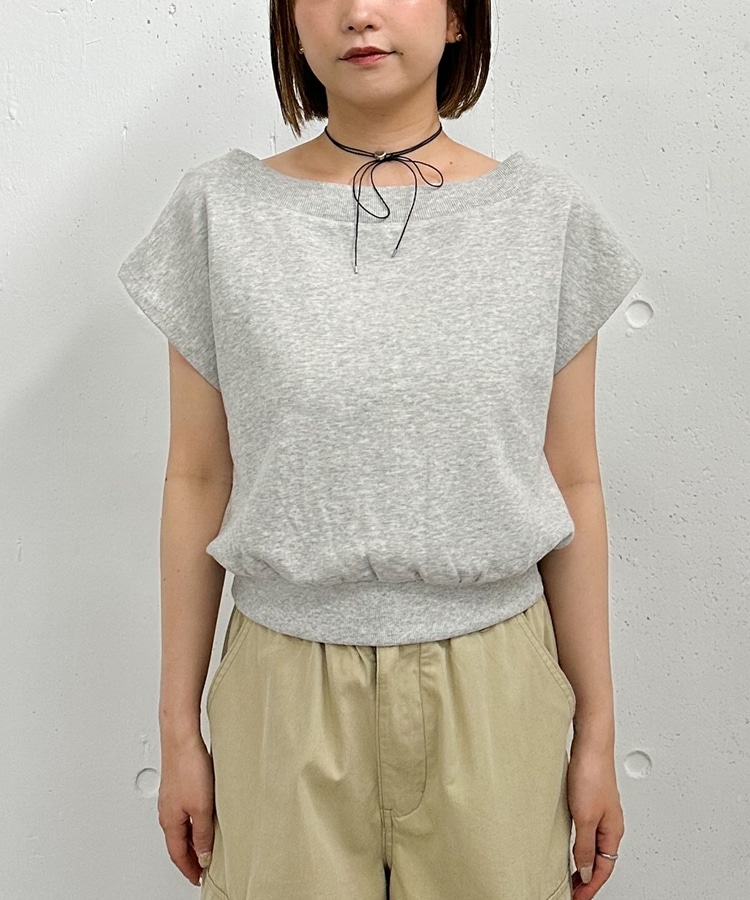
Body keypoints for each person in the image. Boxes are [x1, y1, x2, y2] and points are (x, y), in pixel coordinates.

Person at [117, 1, 643, 898]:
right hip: (283, 688)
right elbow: (198, 475)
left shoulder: (542, 216)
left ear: (458, 18)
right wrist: (179, 733)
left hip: (495, 684)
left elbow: (573, 481)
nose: (360, 14)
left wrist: (596, 731)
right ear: (290, 21)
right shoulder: (221, 212)